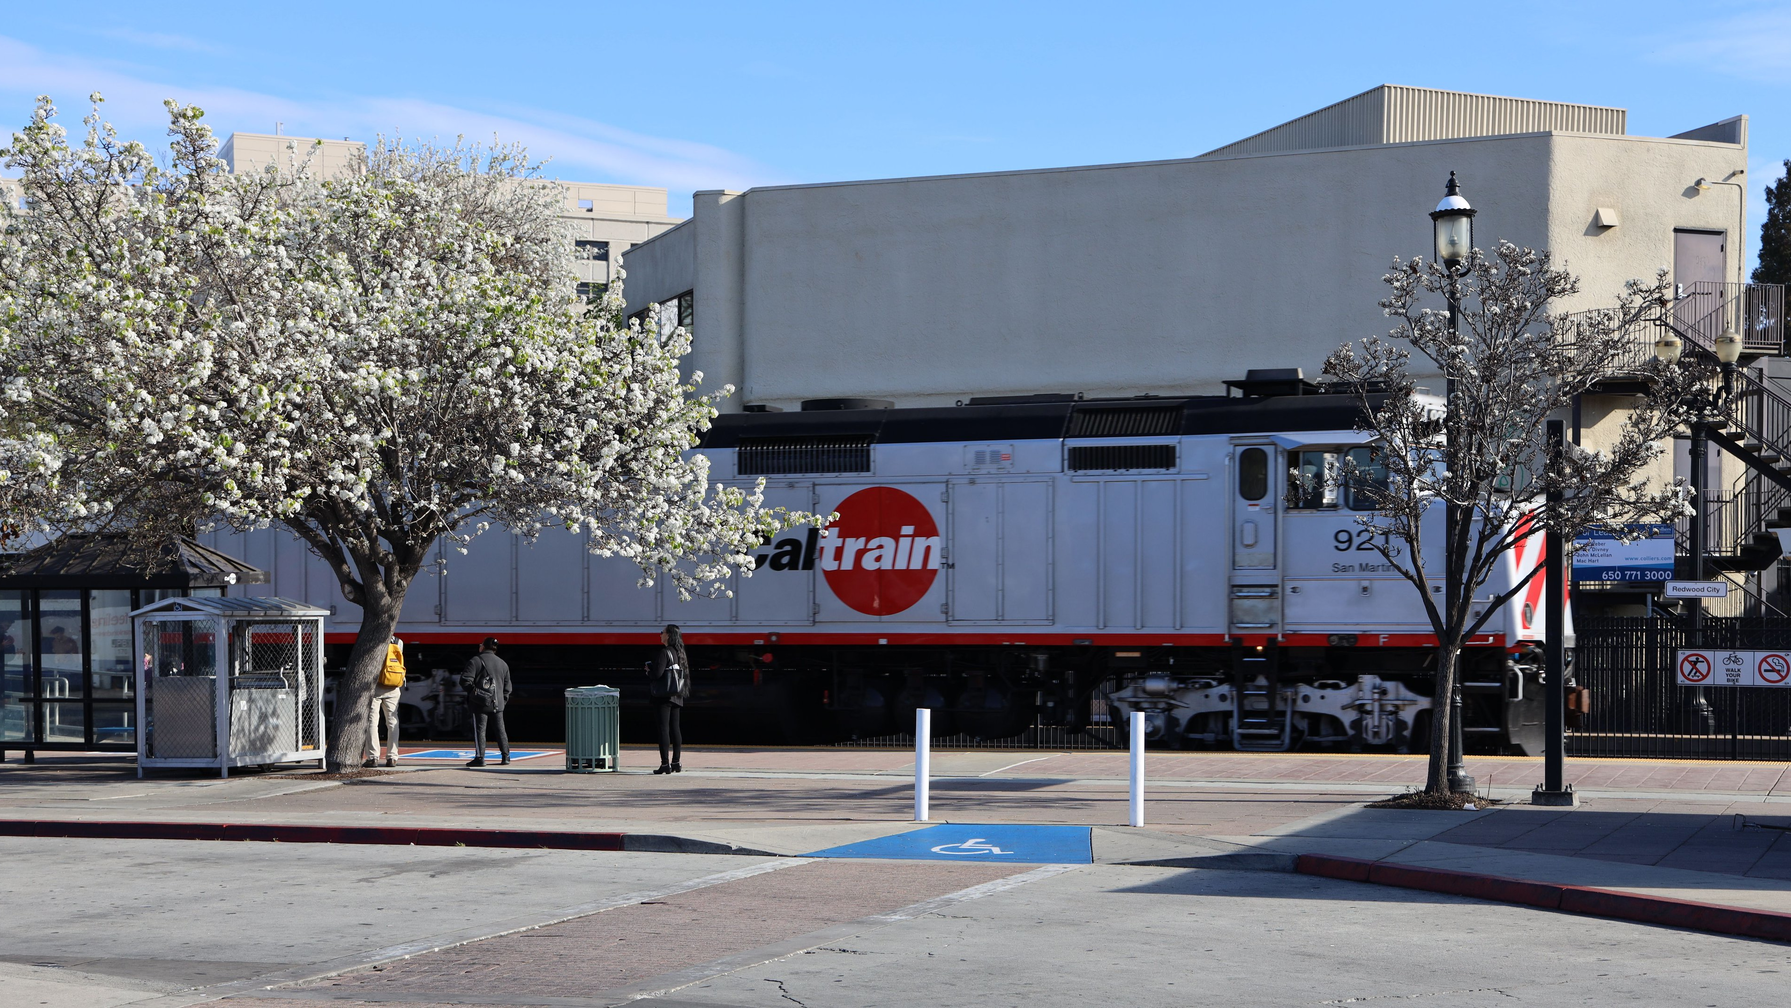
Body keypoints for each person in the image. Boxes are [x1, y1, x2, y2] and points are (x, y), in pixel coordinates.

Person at [460, 636, 511, 767]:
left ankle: (480, 757)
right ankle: (506, 756)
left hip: (480, 704)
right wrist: (502, 701)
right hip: (498, 704)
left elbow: (465, 681)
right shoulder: (502, 663)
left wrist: (475, 694)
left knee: (480, 730)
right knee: (500, 730)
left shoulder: (476, 661)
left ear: (483, 647)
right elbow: (507, 687)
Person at [647, 624, 690, 774]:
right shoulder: (680, 653)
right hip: (677, 694)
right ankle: (676, 762)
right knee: (675, 729)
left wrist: (649, 671)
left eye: (662, 632)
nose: (660, 635)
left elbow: (657, 674)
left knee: (663, 729)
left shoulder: (665, 652)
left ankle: (665, 764)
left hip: (663, 696)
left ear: (669, 635)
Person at [363, 636, 406, 768]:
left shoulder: (371, 639)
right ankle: (392, 757)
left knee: (372, 721)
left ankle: (373, 757)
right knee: (393, 722)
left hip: (375, 686)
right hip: (393, 686)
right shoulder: (399, 642)